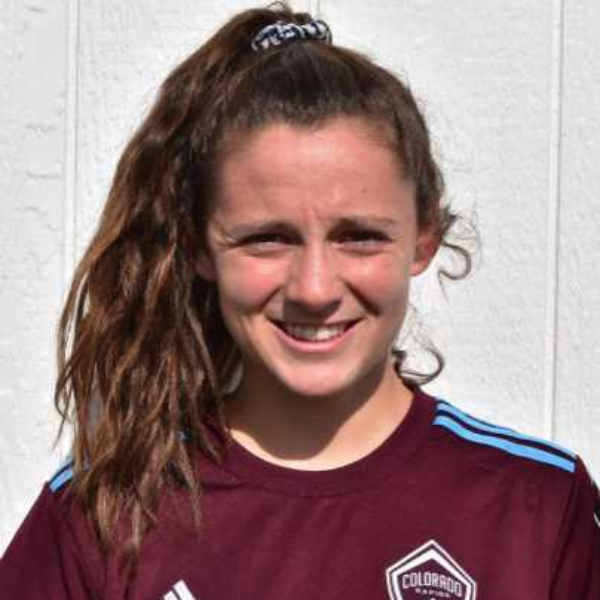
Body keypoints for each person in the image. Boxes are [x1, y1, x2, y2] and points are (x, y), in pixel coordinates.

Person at [1, 4, 598, 599]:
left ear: (424, 239)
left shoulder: (539, 507)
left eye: (359, 236)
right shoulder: (105, 513)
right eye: (268, 238)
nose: (315, 289)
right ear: (199, 248)